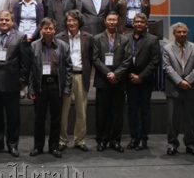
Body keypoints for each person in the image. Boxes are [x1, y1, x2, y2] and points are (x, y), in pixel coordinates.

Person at [0, 11, 29, 157]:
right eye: (1, 19)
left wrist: (23, 81)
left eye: (7, 20)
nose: (4, 22)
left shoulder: (20, 37)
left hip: (11, 82)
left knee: (13, 117)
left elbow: (25, 62)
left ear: (12, 21)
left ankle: (12, 144)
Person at [27, 17, 72, 158]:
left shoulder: (63, 46)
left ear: (55, 30)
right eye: (45, 28)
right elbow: (30, 69)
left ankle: (54, 146)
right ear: (41, 30)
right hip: (40, 86)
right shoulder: (33, 46)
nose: (48, 31)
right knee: (39, 119)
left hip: (56, 86)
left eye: (50, 28)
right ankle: (38, 147)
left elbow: (69, 69)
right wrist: (31, 88)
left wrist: (66, 89)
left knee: (56, 119)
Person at [162, 22, 194, 157]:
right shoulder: (167, 48)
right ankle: (172, 144)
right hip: (174, 88)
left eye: (184, 32)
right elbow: (166, 67)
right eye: (179, 32)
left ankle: (191, 145)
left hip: (190, 88)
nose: (181, 34)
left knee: (190, 119)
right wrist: (180, 81)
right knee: (172, 120)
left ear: (187, 33)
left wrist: (188, 81)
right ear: (174, 34)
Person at [92, 11, 131, 152]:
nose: (112, 22)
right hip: (103, 80)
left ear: (118, 21)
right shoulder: (97, 38)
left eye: (115, 20)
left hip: (118, 81)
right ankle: (102, 140)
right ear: (105, 21)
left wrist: (116, 74)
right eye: (110, 20)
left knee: (117, 113)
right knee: (102, 113)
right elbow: (95, 59)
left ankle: (115, 140)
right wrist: (108, 73)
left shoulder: (125, 39)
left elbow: (127, 60)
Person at [56, 9, 94, 152]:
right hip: (65, 76)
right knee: (63, 111)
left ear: (79, 22)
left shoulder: (88, 37)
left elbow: (91, 58)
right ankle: (62, 140)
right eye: (68, 20)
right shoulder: (59, 37)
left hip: (80, 75)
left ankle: (80, 140)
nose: (71, 23)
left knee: (81, 110)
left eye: (74, 20)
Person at [124, 13, 160, 151]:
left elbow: (155, 61)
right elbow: (122, 58)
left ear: (146, 24)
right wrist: (129, 74)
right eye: (136, 22)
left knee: (145, 110)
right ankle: (134, 137)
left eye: (141, 22)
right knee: (132, 109)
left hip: (145, 80)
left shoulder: (153, 40)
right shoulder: (126, 39)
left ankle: (143, 139)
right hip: (130, 79)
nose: (138, 24)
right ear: (133, 24)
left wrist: (141, 77)